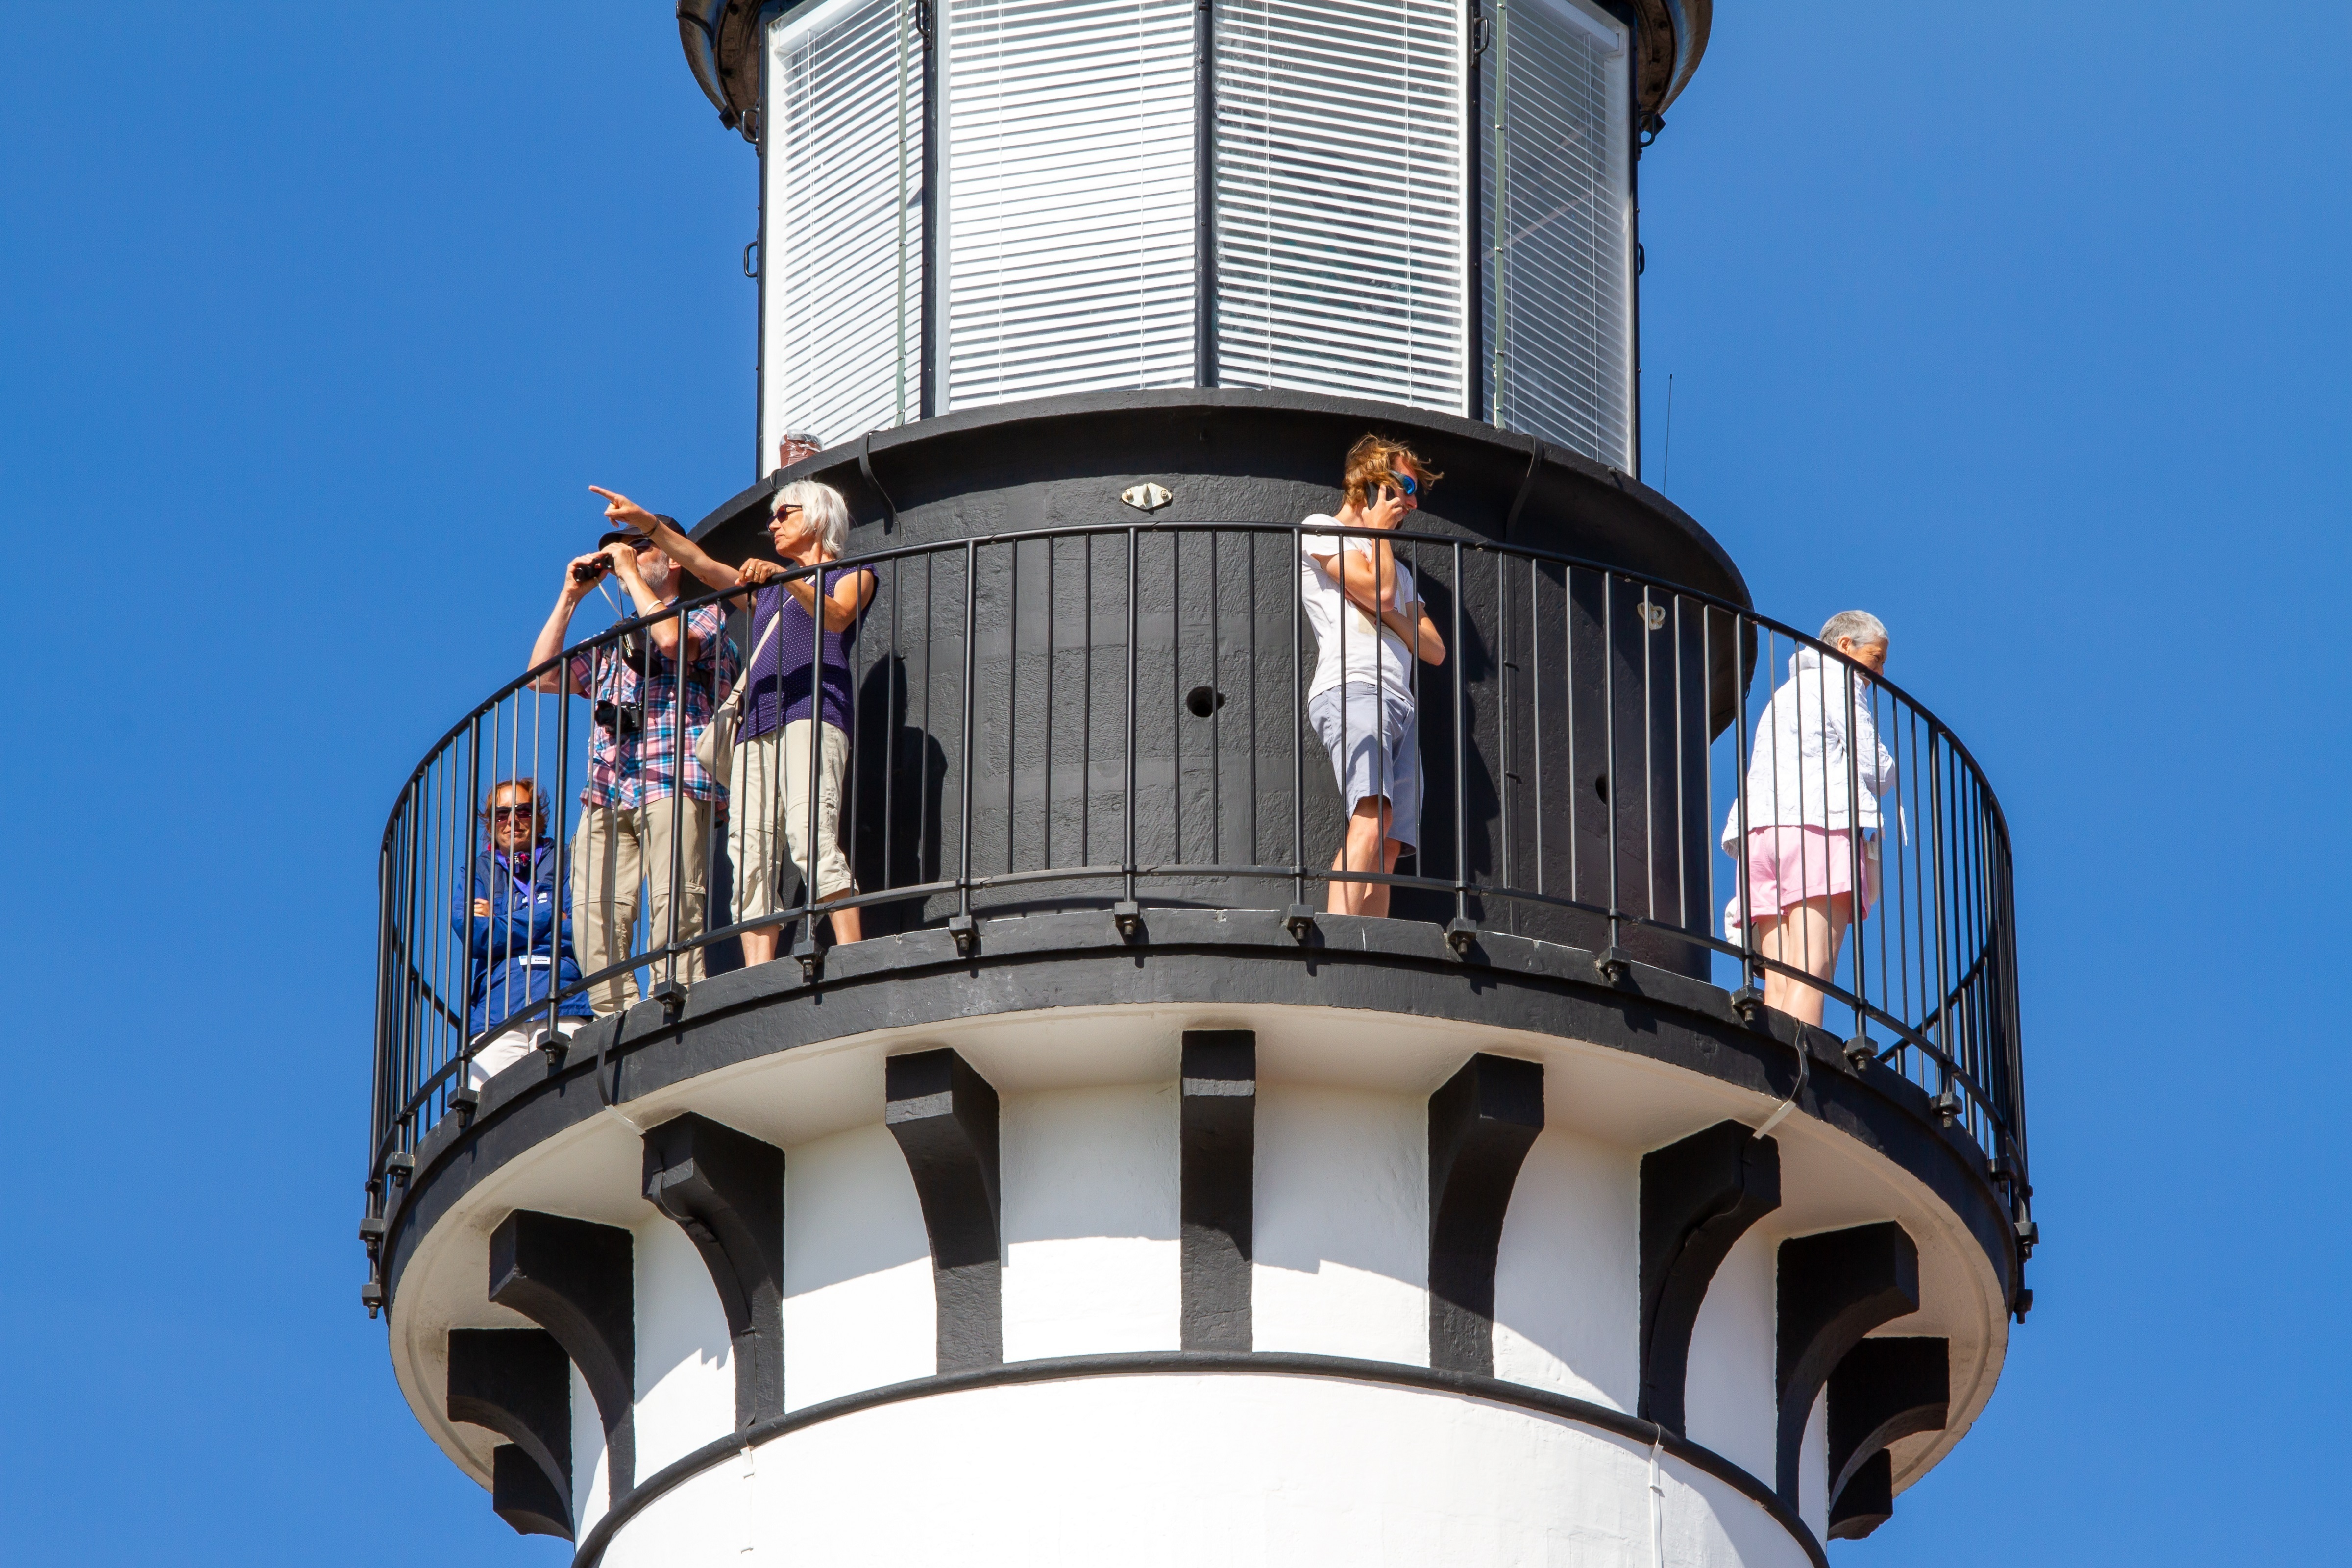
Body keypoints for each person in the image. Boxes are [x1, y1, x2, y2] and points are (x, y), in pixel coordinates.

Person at [590, 481, 875, 963]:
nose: (773, 524)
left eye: (784, 513)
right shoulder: (764, 588)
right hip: (755, 724)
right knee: (749, 855)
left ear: (820, 515)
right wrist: (646, 524)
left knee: (811, 834)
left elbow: (839, 615)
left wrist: (785, 580)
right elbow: (700, 563)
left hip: (812, 710)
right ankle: (759, 973)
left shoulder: (850, 572)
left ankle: (856, 955)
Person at [526, 525, 738, 1012]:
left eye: (642, 548)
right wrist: (570, 596)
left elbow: (669, 641)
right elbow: (543, 675)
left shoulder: (705, 615)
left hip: (675, 775)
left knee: (675, 897)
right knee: (592, 912)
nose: (628, 557)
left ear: (676, 560)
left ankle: (676, 997)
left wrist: (628, 571)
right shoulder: (612, 639)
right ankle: (613, 1015)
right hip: (607, 788)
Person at [1721, 610, 1897, 1026]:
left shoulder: (1785, 695)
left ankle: (1774, 1073)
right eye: (1877, 658)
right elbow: (1879, 769)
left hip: (1761, 837)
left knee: (1781, 975)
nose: (1880, 672)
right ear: (1844, 648)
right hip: (1816, 829)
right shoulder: (1839, 681)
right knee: (1812, 966)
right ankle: (1803, 1074)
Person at [1298, 436, 1447, 917]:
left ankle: (1372, 944)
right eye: (1403, 484)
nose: (1411, 500)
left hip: (1400, 703)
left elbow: (1435, 649)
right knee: (1371, 813)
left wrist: (1394, 616)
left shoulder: (1398, 571)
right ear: (1372, 480)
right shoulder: (1323, 530)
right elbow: (1383, 594)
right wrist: (1390, 601)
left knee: (1389, 843)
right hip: (1353, 686)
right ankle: (1339, 935)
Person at [451, 779, 591, 1087]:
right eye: (501, 815)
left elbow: (581, 926)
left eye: (523, 811)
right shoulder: (478, 870)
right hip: (497, 1012)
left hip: (563, 1000)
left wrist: (501, 919)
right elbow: (475, 934)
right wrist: (551, 913)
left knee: (568, 1102)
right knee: (490, 1119)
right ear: (490, 825)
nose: (512, 821)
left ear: (538, 818)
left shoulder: (568, 860)